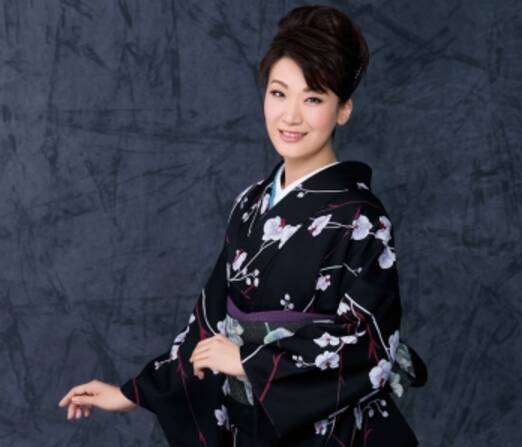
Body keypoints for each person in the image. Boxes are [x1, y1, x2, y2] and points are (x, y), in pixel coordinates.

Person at [58, 4, 427, 446]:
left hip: (333, 433)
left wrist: (249, 361)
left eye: (313, 99)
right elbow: (210, 320)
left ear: (343, 109)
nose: (290, 116)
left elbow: (370, 347)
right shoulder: (250, 204)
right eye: (279, 93)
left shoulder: (362, 219)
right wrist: (131, 394)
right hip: (252, 428)